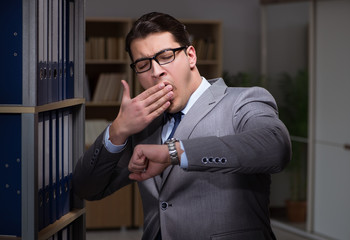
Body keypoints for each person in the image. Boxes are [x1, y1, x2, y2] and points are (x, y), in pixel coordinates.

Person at [73, 12, 291, 240]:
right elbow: (87, 188)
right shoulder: (143, 126)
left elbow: (277, 147)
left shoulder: (242, 101)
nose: (156, 71)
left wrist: (174, 152)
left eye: (166, 56)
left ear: (191, 56)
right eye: (143, 64)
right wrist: (118, 130)